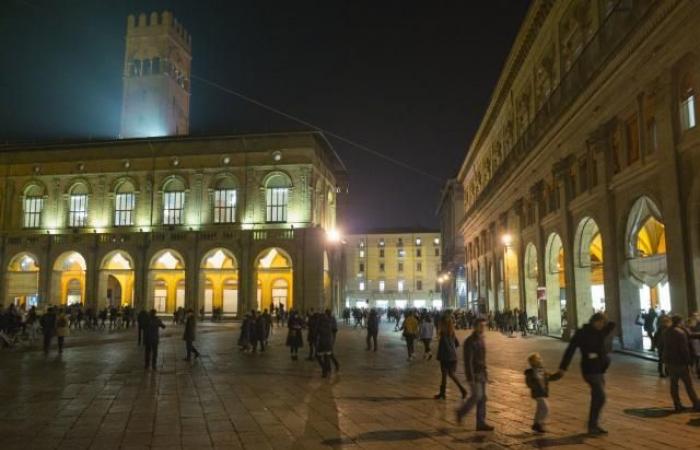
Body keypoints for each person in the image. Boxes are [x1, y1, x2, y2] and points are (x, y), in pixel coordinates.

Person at [557, 312, 615, 435]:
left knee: (597, 398)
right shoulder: (582, 333)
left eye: (603, 323)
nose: (602, 325)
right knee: (601, 396)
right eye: (601, 323)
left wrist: (605, 318)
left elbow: (611, 325)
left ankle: (593, 425)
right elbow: (570, 350)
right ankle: (592, 425)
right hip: (589, 369)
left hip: (600, 369)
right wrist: (563, 367)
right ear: (595, 321)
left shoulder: (600, 331)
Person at [456, 318, 493, 431]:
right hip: (475, 373)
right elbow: (468, 361)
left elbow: (483, 358)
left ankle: (481, 423)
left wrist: (486, 373)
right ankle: (461, 412)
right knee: (477, 396)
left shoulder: (481, 339)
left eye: (484, 326)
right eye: (480, 326)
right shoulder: (470, 341)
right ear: (475, 326)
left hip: (482, 372)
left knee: (483, 398)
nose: (483, 328)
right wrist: (470, 377)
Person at [662, 315, 700, 412]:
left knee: (674, 385)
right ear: (680, 321)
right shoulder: (680, 333)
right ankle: (696, 403)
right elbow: (684, 350)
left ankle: (677, 404)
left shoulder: (666, 331)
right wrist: (689, 362)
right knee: (688, 384)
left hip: (669, 362)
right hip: (680, 363)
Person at [524, 352, 561, 433]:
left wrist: (559, 375)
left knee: (540, 409)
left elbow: (550, 377)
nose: (540, 360)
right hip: (537, 393)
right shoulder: (530, 372)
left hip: (543, 393)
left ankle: (536, 424)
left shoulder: (542, 370)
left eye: (540, 359)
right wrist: (535, 386)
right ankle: (540, 423)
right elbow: (529, 383)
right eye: (538, 359)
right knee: (545, 408)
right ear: (533, 362)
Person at [434, 315, 466, 400]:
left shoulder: (443, 333)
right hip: (453, 357)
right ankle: (462, 390)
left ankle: (442, 393)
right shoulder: (452, 333)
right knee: (451, 374)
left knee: (444, 375)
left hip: (445, 357)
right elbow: (457, 344)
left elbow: (444, 345)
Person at [315, 309, 340, 377]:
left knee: (328, 355)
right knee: (328, 355)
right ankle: (328, 368)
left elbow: (334, 329)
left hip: (327, 340)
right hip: (329, 340)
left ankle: (328, 369)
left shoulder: (329, 320)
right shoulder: (329, 321)